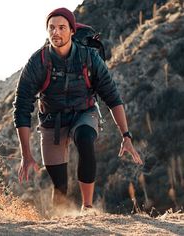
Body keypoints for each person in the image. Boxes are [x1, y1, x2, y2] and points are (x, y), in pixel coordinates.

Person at [13, 7, 143, 212]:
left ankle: (87, 208)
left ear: (72, 31)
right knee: (60, 184)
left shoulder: (89, 57)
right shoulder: (38, 62)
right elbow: (21, 106)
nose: (56, 32)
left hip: (85, 113)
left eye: (62, 28)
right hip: (51, 122)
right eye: (51, 28)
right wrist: (26, 154)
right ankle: (61, 220)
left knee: (84, 138)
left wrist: (126, 136)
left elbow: (112, 97)